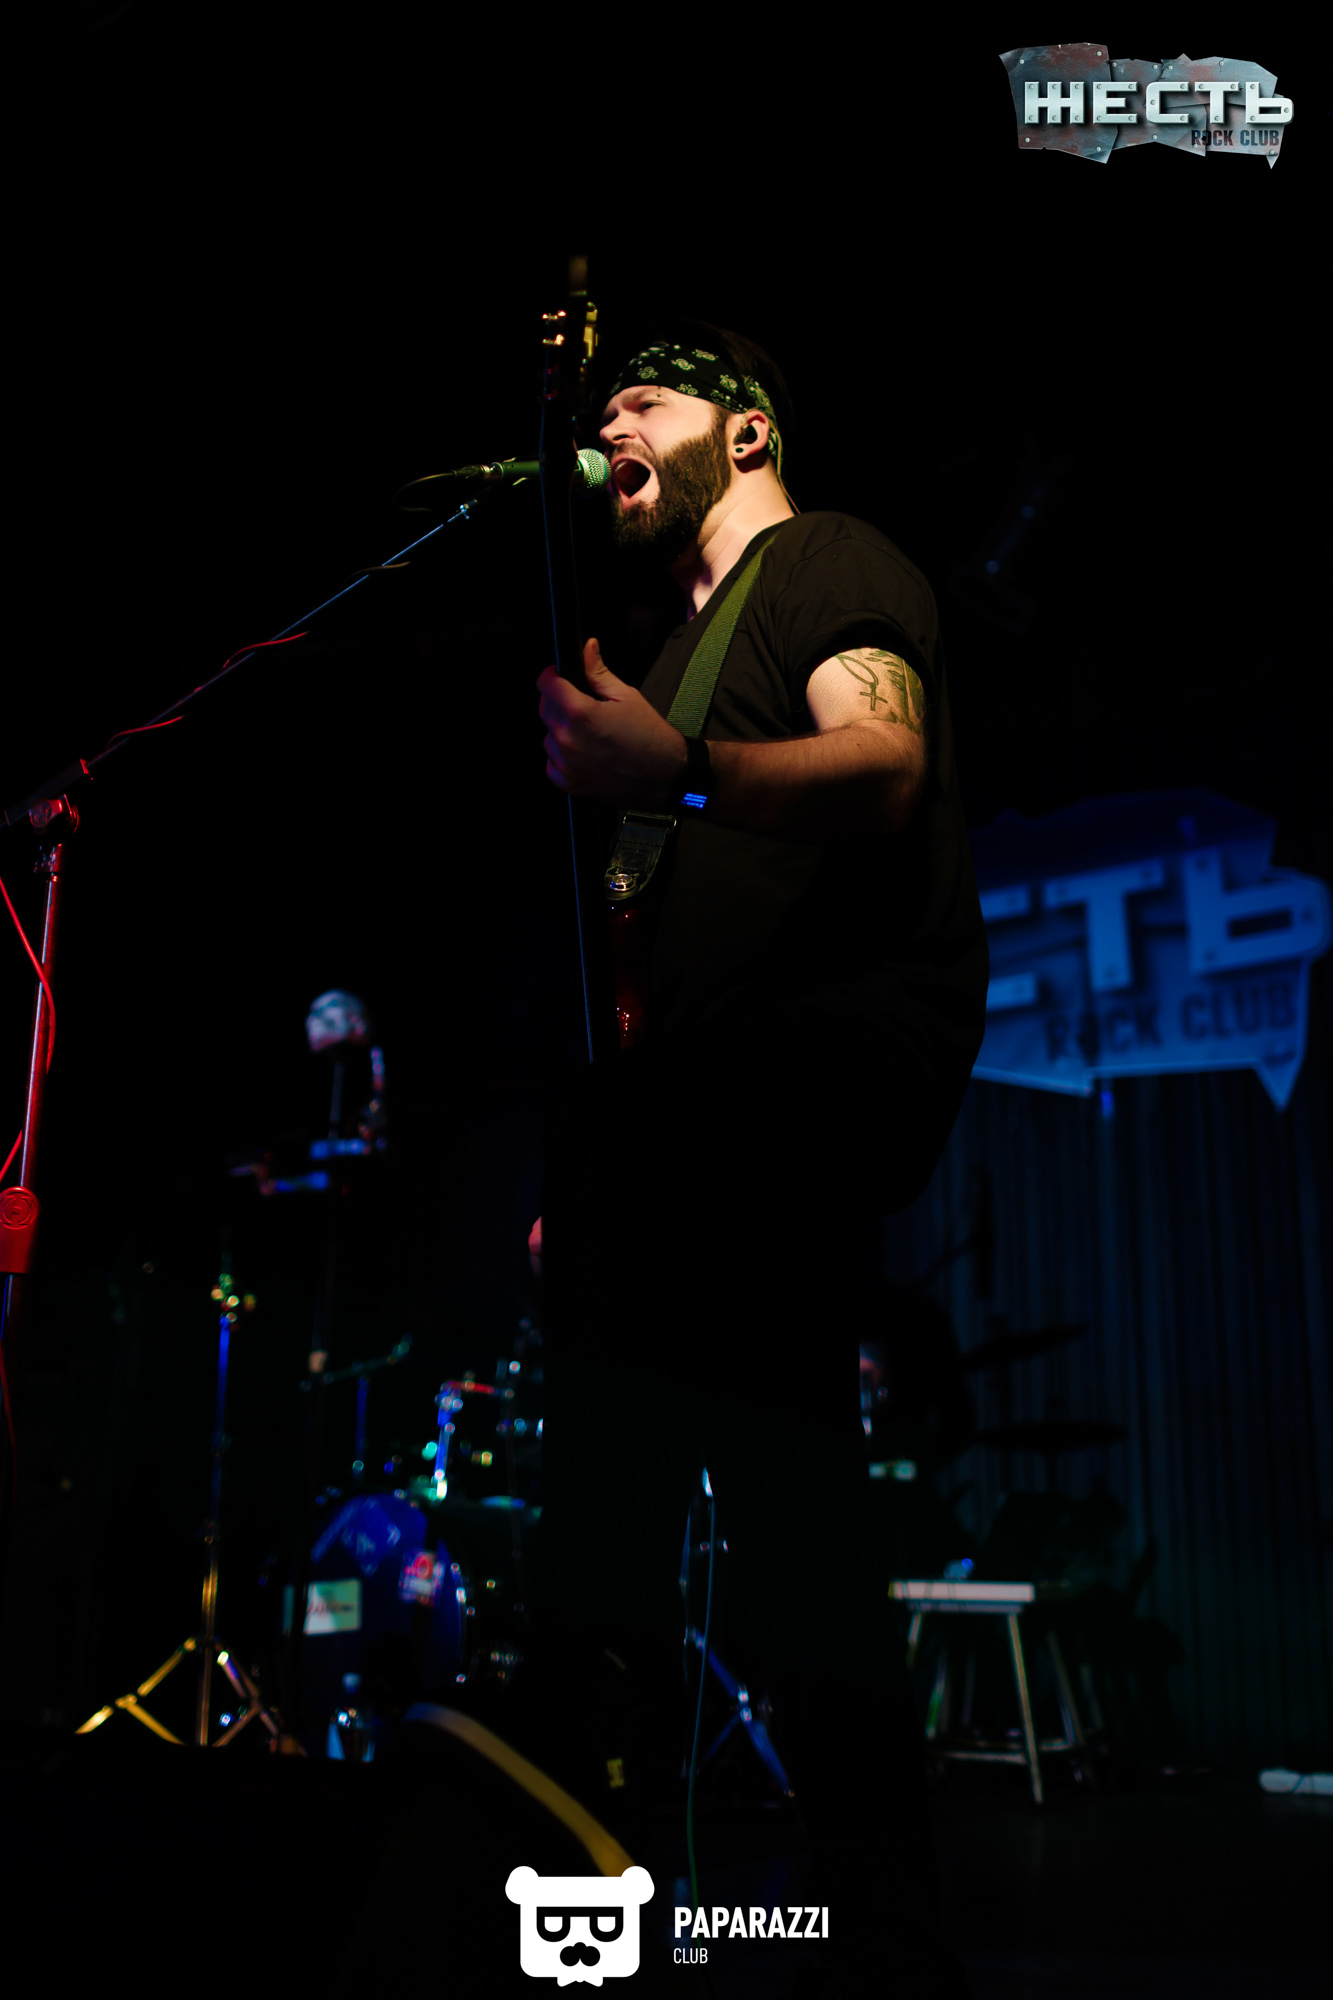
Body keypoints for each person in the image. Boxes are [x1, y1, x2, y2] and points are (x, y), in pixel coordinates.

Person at [525, 321, 987, 1998]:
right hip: (688, 1114)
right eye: (597, 409)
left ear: (744, 432)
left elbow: (885, 762)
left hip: (807, 1070)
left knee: (697, 1507)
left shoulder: (825, 559)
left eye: (641, 399)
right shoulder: (662, 654)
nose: (609, 425)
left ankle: (838, 1924)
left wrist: (682, 772)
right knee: (718, 1512)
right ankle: (688, 1905)